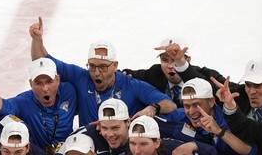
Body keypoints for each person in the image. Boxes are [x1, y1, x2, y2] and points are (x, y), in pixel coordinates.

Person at [29, 17, 175, 125]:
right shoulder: (81, 77)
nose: (96, 73)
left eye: (103, 67)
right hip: (89, 147)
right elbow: (43, 63)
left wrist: (153, 108)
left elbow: (170, 104)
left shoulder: (130, 84)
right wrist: (37, 39)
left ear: (115, 65)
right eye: (92, 66)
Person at [0, 58, 78, 151]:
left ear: (57, 80)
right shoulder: (24, 102)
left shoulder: (69, 92)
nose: (45, 88)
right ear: (31, 84)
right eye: (38, 83)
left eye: (49, 82)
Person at [122, 38, 223, 108]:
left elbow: (226, 92)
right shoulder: (155, 73)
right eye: (165, 60)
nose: (170, 66)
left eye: (175, 60)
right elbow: (132, 74)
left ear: (188, 60)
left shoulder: (207, 74)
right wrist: (126, 74)